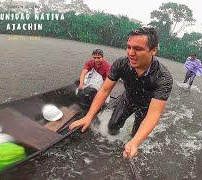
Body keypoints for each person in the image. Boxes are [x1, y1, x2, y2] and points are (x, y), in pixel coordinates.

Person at [70, 27, 173, 158]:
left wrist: (135, 143)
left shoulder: (163, 77)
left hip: (146, 108)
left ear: (153, 50)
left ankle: (130, 145)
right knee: (112, 127)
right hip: (127, 99)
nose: (131, 53)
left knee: (135, 138)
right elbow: (104, 90)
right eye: (128, 47)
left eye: (138, 49)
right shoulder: (121, 64)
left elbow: (154, 114)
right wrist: (89, 116)